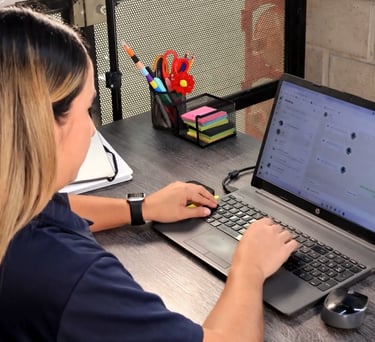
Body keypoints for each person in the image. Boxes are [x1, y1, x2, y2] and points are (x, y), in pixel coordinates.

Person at [0, 6, 298, 342]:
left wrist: (142, 208)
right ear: (44, 126)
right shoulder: (74, 279)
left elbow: (51, 211)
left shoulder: (14, 207)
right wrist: (249, 267)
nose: (91, 129)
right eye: (87, 109)